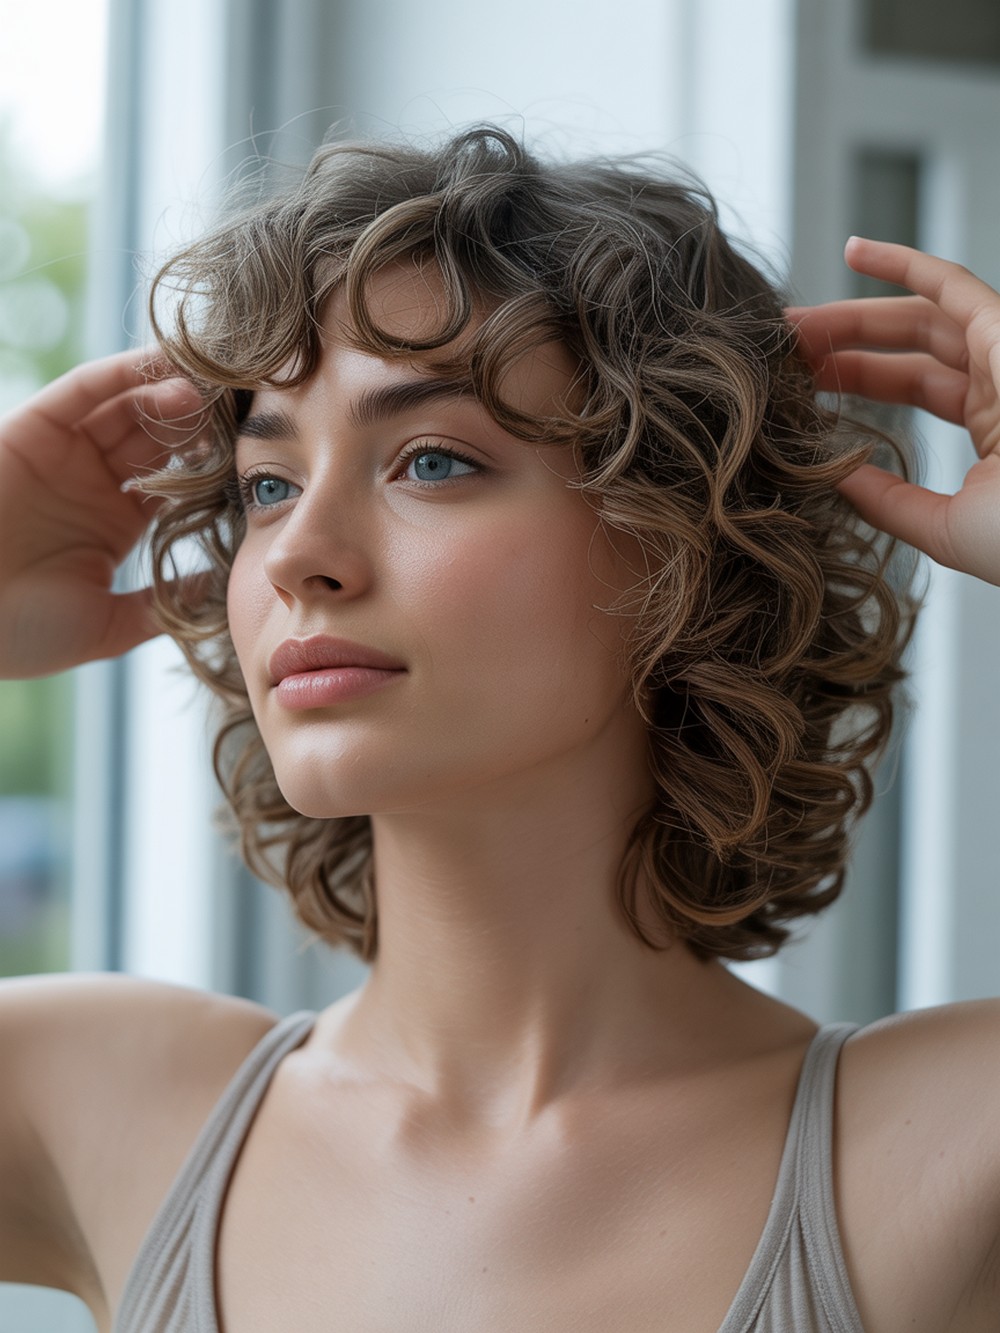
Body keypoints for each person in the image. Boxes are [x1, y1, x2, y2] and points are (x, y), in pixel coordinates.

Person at [0, 125, 998, 1332]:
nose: (300, 554)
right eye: (266, 484)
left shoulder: (937, 1145)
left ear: (682, 541)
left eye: (428, 460)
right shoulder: (97, 1098)